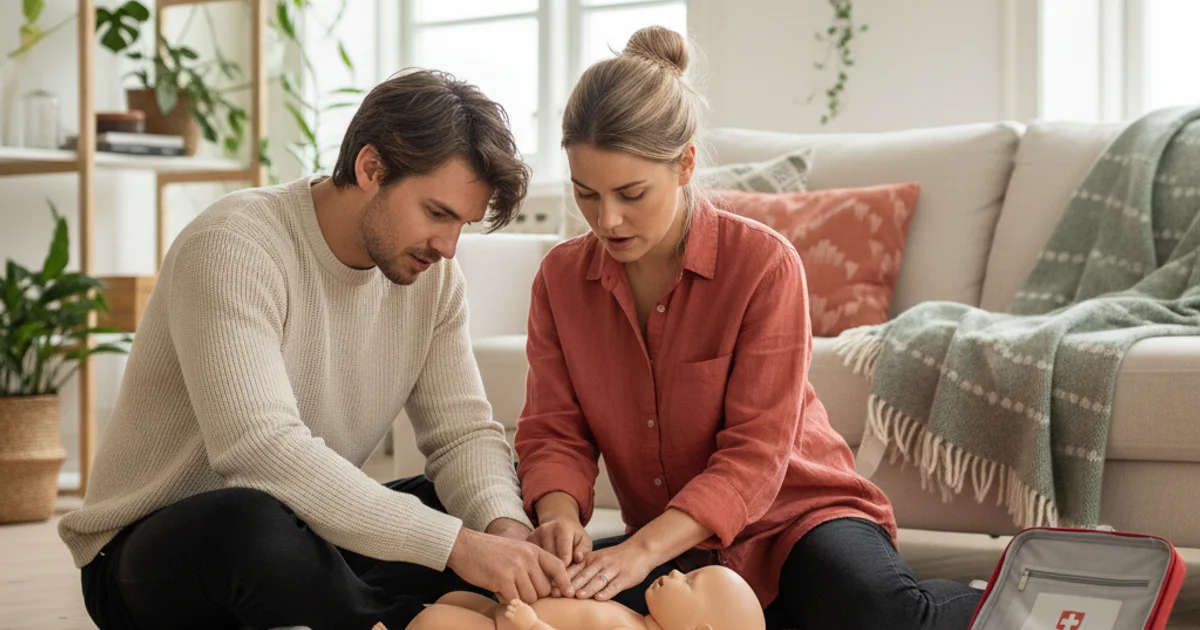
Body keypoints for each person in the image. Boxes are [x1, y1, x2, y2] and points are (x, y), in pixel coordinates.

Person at [59, 69, 573, 630]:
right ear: (371, 168)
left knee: (474, 501)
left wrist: (505, 534)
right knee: (253, 524)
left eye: (463, 224)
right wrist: (461, 549)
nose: (448, 247)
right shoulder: (233, 245)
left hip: (303, 529)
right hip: (159, 554)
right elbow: (260, 451)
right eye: (437, 213)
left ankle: (405, 612)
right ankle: (408, 621)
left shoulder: (435, 280)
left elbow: (462, 434)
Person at [514, 26, 983, 630]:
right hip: (678, 544)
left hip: (799, 517)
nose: (607, 220)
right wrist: (557, 516)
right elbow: (554, 431)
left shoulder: (765, 264)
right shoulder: (560, 280)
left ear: (685, 164)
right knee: (550, 610)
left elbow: (756, 455)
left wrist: (639, 553)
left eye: (631, 194)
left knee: (882, 616)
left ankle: (999, 601)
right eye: (586, 194)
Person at [396, 564, 764, 630]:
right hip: (506, 613)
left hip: (517, 626)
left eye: (691, 582)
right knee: (453, 599)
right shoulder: (638, 620)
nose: (676, 573)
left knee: (435, 622)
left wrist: (533, 625)